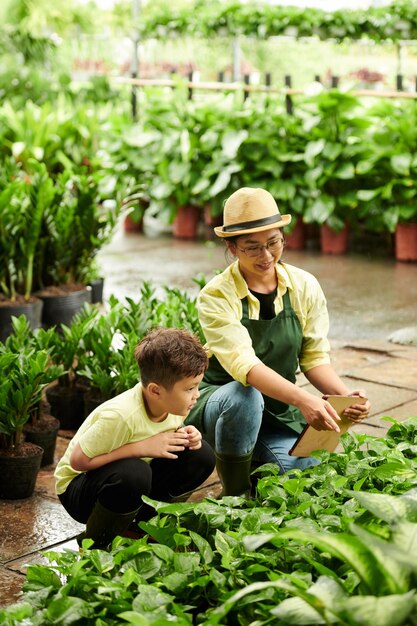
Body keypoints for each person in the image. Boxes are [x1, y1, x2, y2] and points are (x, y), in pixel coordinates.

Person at [186, 187, 370, 496]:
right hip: (222, 401)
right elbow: (246, 366)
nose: (267, 255)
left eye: (274, 242)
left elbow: (313, 357)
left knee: (305, 471)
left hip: (277, 408)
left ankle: (255, 463)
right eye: (252, 247)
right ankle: (234, 494)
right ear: (232, 248)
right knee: (245, 396)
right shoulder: (216, 295)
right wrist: (304, 399)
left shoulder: (303, 286)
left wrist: (344, 397)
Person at [55, 327, 215, 548]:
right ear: (155, 391)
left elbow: (166, 433)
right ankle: (96, 544)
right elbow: (78, 461)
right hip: (80, 490)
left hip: (129, 478)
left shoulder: (173, 405)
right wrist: (141, 447)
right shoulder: (121, 416)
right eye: (190, 388)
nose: (197, 395)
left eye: (197, 386)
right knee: (134, 473)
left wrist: (187, 435)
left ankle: (142, 526)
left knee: (201, 454)